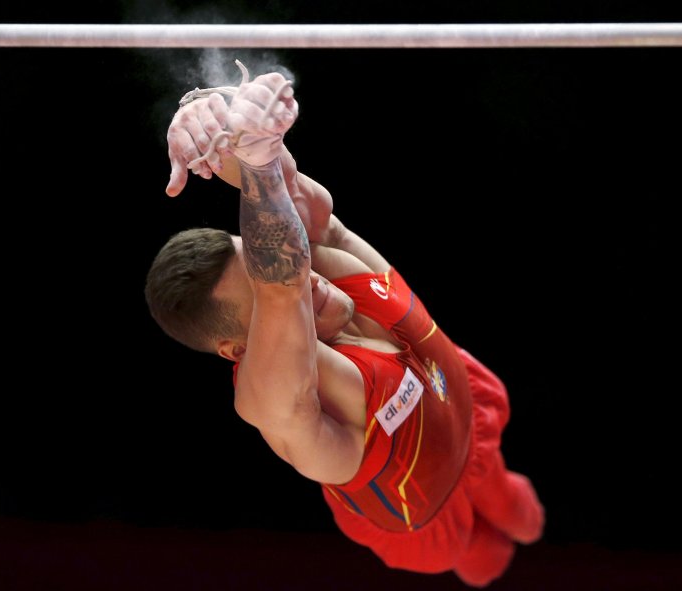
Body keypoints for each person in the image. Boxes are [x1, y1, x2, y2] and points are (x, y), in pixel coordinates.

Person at [145, 65, 545, 587]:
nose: (304, 270)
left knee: (527, 518)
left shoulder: (318, 256)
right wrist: (260, 169)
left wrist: (209, 114)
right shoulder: (277, 400)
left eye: (263, 247)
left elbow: (286, 201)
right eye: (262, 299)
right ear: (237, 347)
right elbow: (280, 280)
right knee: (487, 562)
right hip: (425, 520)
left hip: (473, 414)